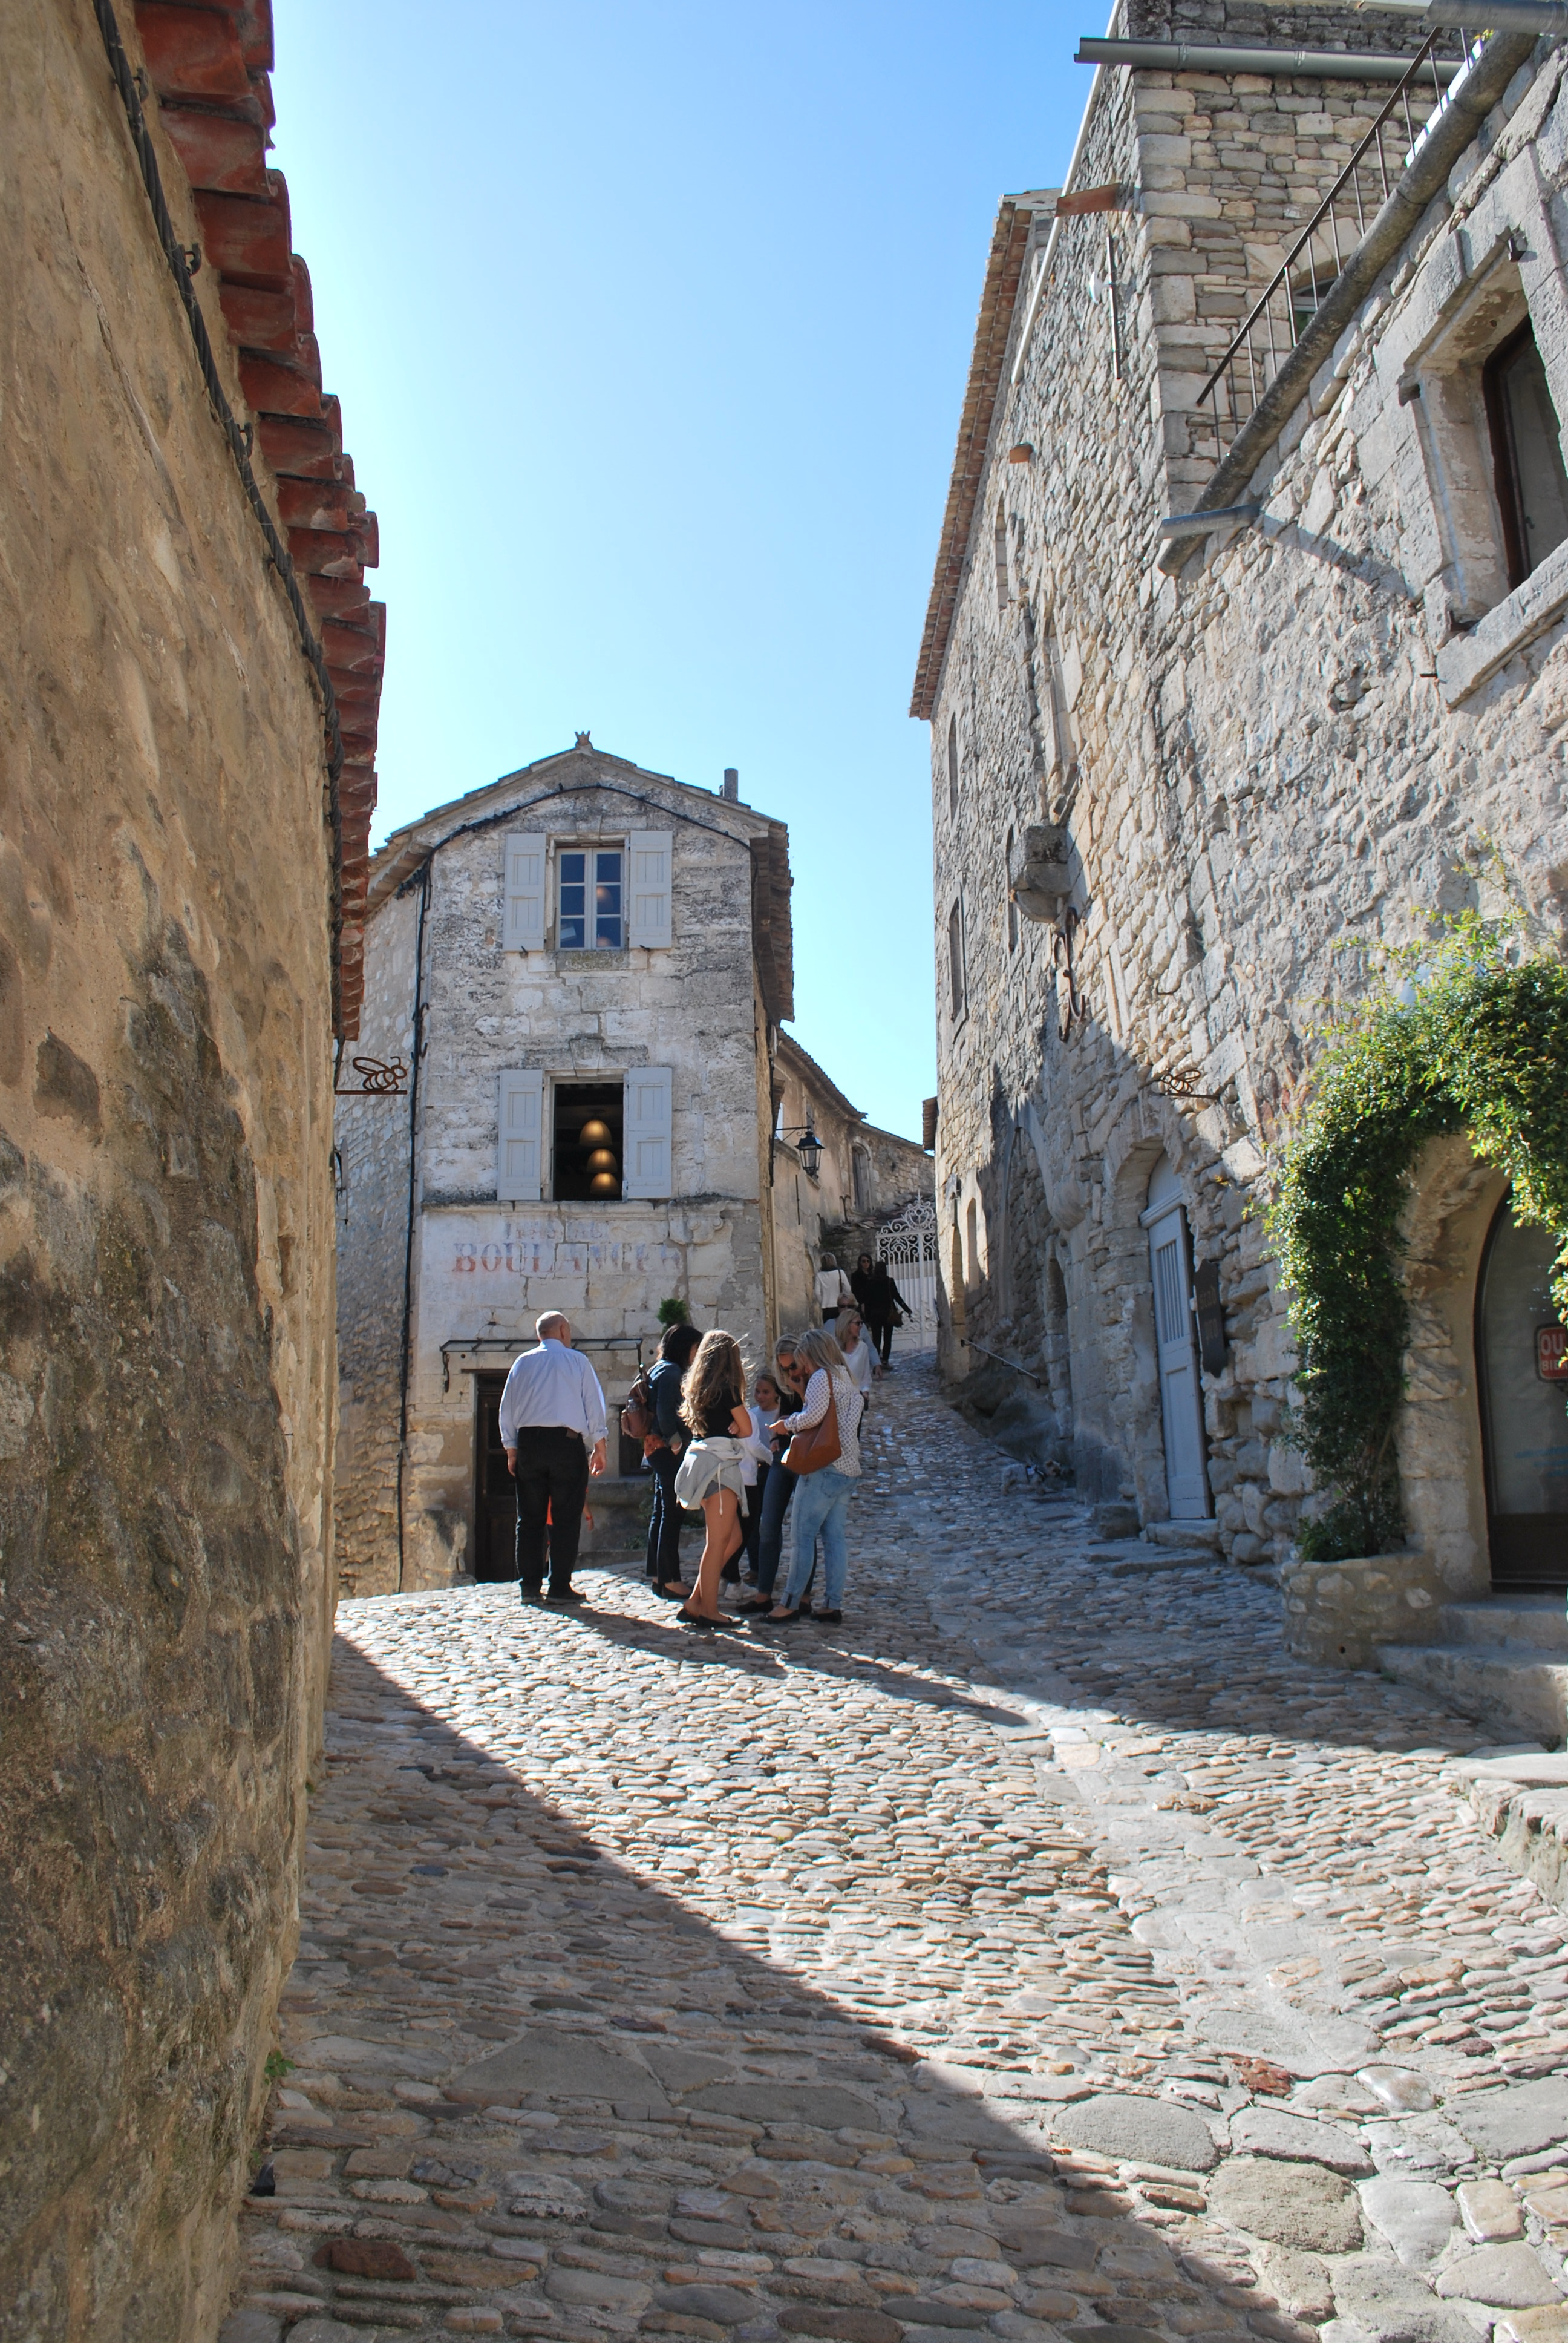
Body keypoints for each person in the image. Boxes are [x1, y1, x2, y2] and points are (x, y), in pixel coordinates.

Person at [499, 1312, 608, 1604]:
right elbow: (593, 1404)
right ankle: (560, 1585)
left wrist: (511, 1448)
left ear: (540, 1335)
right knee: (566, 1518)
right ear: (561, 1330)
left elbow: (507, 1408)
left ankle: (530, 1587)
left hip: (530, 1445)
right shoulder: (577, 1362)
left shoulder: (522, 1363)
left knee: (530, 1518)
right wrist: (600, 1444)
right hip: (566, 1444)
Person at [762, 1326, 862, 1627]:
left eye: (803, 1358)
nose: (802, 1366)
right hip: (847, 1468)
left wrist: (785, 1425)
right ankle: (833, 1604)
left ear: (813, 1354)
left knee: (802, 1535)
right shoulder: (846, 1377)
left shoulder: (822, 1377)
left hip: (824, 1468)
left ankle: (790, 1602)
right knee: (834, 1539)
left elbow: (812, 1417)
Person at [670, 1331, 760, 1630]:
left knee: (731, 1538)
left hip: (700, 1462)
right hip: (720, 1468)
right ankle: (709, 1610)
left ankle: (696, 1601)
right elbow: (747, 1427)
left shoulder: (699, 1389)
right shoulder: (727, 1388)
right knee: (718, 1542)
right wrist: (737, 1422)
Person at [737, 1337, 808, 1614]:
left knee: (803, 1529)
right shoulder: (786, 1385)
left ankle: (804, 1596)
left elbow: (811, 1417)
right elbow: (787, 1418)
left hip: (806, 1460)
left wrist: (800, 1389)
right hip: (781, 1458)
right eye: (784, 1368)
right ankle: (763, 1593)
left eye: (792, 1366)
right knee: (767, 1526)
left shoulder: (813, 1382)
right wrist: (778, 1438)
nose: (790, 1372)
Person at [644, 1320, 702, 1598]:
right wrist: (676, 1443)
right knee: (672, 1514)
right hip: (668, 1451)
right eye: (696, 1348)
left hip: (658, 1451)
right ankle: (670, 1579)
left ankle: (657, 1575)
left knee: (661, 1512)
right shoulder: (671, 1373)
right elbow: (667, 1413)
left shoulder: (660, 1369)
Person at [739, 1369, 782, 1583]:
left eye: (766, 1392)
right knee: (752, 1522)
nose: (761, 1397)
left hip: (774, 1469)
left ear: (776, 1393)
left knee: (770, 1522)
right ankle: (755, 1567)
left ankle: (768, 1567)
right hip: (755, 1471)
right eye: (757, 1392)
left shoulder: (781, 1415)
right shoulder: (752, 1415)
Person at [854, 1253, 909, 1369]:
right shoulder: (889, 1282)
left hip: (875, 1316)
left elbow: (867, 1301)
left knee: (876, 1339)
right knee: (888, 1339)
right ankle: (885, 1361)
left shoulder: (870, 1282)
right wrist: (907, 1309)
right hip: (888, 1315)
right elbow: (897, 1297)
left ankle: (876, 1362)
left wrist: (867, 1317)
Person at [835, 1305, 878, 1404]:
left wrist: (865, 1391)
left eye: (862, 1323)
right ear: (847, 1325)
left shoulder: (863, 1347)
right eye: (858, 1323)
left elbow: (866, 1375)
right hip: (839, 1400)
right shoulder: (833, 1347)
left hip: (857, 1399)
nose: (861, 1326)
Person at [815, 1253, 852, 1323]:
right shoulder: (840, 1273)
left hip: (826, 1307)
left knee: (828, 1327)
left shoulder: (819, 1275)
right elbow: (848, 1289)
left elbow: (817, 1293)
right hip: (840, 1305)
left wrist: (823, 1302)